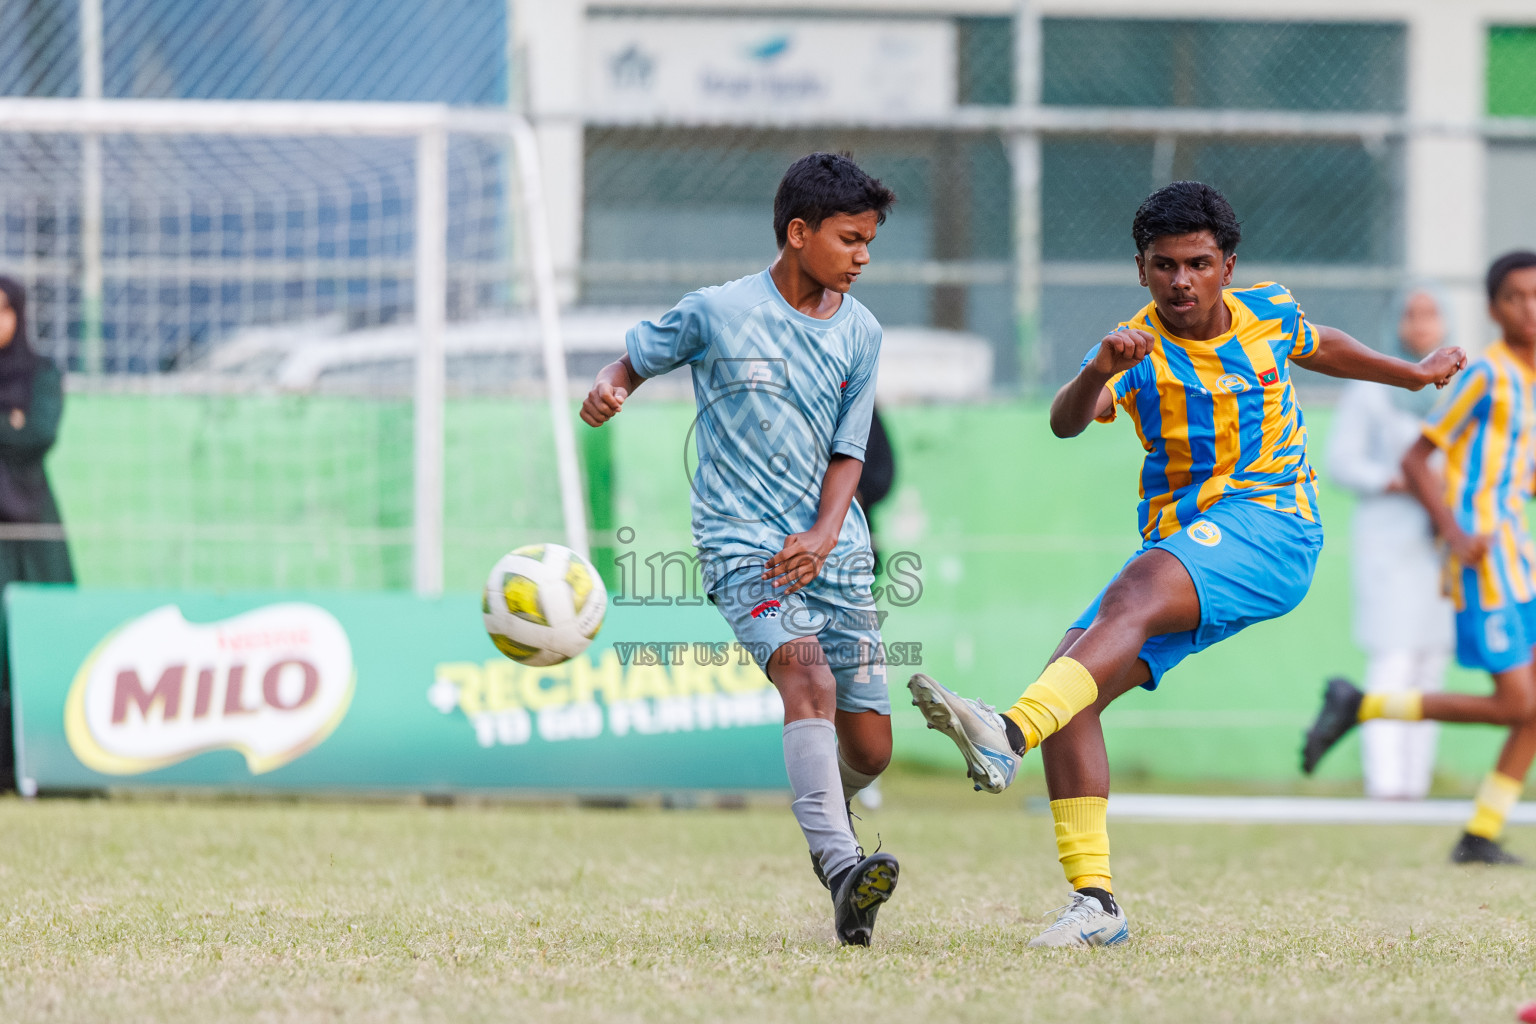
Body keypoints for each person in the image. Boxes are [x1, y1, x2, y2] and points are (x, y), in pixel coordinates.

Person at [903, 181, 1465, 948]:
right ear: (1142, 269)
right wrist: (1098, 370)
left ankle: (1006, 733)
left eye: (1198, 263)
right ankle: (1095, 903)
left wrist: (1410, 372)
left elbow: (1321, 341)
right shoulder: (1131, 348)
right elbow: (1067, 422)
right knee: (1072, 688)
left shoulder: (1267, 312)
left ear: (1227, 265)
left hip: (1275, 528)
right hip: (1185, 546)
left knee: (1124, 602)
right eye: (1164, 265)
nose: (1181, 281)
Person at [580, 153, 900, 946]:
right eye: (850, 239)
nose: (864, 256)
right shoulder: (718, 312)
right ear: (799, 234)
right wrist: (614, 383)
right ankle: (839, 866)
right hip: (739, 545)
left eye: (870, 241)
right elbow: (638, 356)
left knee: (873, 746)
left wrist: (827, 534)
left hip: (833, 547)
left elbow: (850, 452)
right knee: (806, 673)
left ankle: (830, 795)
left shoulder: (862, 331)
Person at [1303, 251, 1536, 865]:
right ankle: (1364, 707)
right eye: (1516, 297)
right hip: (1482, 559)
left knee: (1529, 705)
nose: (1530, 309)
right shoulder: (1486, 376)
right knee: (1519, 704)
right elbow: (1416, 457)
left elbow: (1518, 474)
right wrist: (1457, 533)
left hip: (1520, 559)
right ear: (1492, 309)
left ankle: (1481, 833)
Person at [1326, 286, 1457, 799]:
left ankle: (1415, 787)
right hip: (1388, 541)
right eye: (1411, 314)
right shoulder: (1371, 389)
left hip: (1441, 540)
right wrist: (1402, 480)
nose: (1421, 325)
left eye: (1431, 314)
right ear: (1396, 323)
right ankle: (1386, 787)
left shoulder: (1457, 393)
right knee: (1394, 658)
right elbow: (1342, 462)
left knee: (1430, 661)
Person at [0, 276, 75, 790]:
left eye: (4, 310)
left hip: (28, 531)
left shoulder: (41, 372)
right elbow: (20, 432)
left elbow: (39, 434)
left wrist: (20, 426)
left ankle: (45, 766)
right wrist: (11, 421)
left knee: (35, 645)